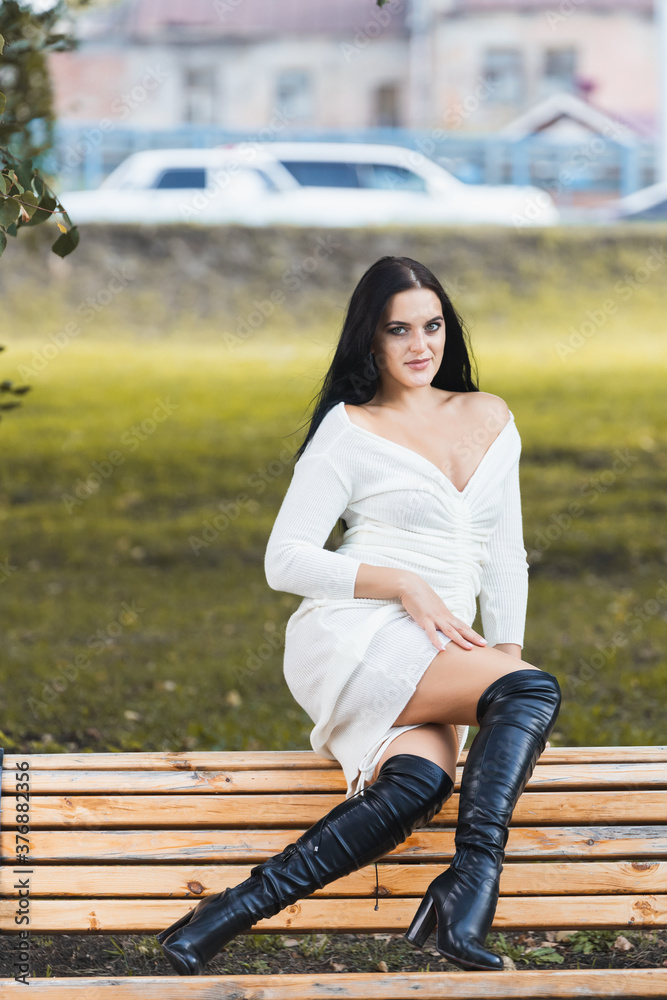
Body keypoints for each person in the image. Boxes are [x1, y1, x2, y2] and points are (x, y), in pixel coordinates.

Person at [158, 255, 562, 976]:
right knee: (533, 690)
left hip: (443, 646)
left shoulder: (489, 416)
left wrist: (498, 663)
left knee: (419, 785)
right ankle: (472, 886)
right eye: (398, 330)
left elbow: (505, 553)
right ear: (369, 340)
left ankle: (216, 918)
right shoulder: (348, 430)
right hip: (356, 632)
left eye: (432, 326)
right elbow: (284, 560)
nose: (420, 345)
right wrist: (402, 584)